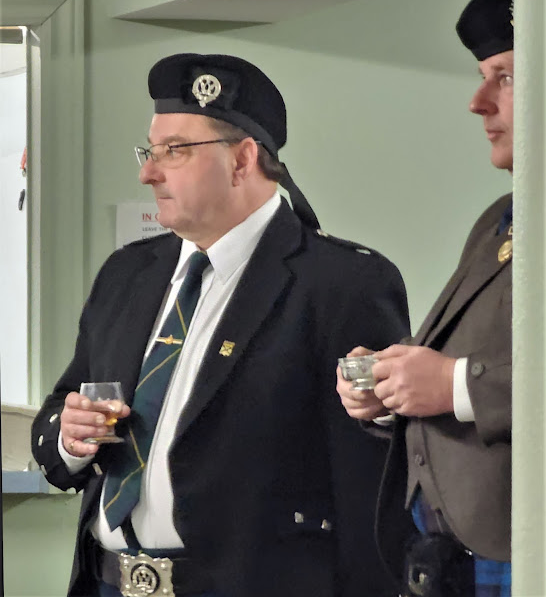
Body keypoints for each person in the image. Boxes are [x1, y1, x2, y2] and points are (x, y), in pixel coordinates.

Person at [31, 53, 410, 597]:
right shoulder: (127, 274)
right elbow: (62, 408)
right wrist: (70, 438)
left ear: (242, 159)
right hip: (107, 583)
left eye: (175, 151)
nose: (147, 172)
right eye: (149, 150)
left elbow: (368, 480)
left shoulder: (341, 283)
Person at [337, 0, 513, 597]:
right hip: (452, 553)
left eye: (504, 78)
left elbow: (464, 379)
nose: (478, 103)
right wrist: (394, 386)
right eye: (482, 78)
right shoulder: (500, 220)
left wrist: (454, 385)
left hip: (518, 548)